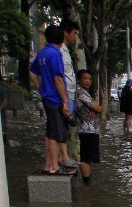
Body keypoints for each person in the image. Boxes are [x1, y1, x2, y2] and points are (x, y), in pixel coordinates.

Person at [28, 25, 72, 175]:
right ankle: (54, 166)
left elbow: (32, 72)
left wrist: (40, 87)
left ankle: (49, 164)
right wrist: (65, 101)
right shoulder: (55, 54)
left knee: (49, 132)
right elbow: (58, 79)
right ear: (61, 38)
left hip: (47, 97)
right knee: (55, 134)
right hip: (54, 99)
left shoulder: (42, 53)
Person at [74, 69, 103, 185]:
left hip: (90, 130)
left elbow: (97, 109)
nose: (88, 81)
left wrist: (96, 110)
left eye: (89, 79)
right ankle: (87, 183)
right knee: (85, 157)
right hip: (87, 130)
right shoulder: (81, 92)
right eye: (85, 79)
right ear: (79, 80)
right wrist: (96, 110)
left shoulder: (84, 92)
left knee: (88, 157)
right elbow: (98, 108)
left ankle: (88, 183)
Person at [60, 18, 81, 170]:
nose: (75, 37)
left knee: (65, 128)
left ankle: (64, 156)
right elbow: (57, 77)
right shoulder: (58, 51)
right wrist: (65, 100)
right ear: (65, 33)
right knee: (59, 128)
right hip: (64, 96)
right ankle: (63, 157)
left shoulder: (66, 51)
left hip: (70, 95)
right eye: (74, 33)